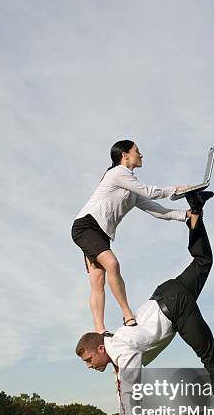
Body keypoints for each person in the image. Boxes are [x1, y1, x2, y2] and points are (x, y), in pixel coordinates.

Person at [75, 191, 214, 415]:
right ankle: (195, 210)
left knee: (208, 354)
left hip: (174, 307)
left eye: (89, 359)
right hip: (166, 292)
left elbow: (130, 389)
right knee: (203, 261)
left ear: (100, 348)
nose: (90, 365)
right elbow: (122, 383)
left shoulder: (121, 350)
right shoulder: (115, 349)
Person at [72, 140, 190, 333]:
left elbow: (158, 211)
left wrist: (185, 215)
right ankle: (128, 315)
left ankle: (99, 331)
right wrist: (177, 189)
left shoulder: (131, 190)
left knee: (97, 280)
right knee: (112, 264)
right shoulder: (118, 173)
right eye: (137, 151)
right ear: (125, 155)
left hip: (101, 233)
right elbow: (149, 192)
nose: (141, 155)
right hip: (86, 226)